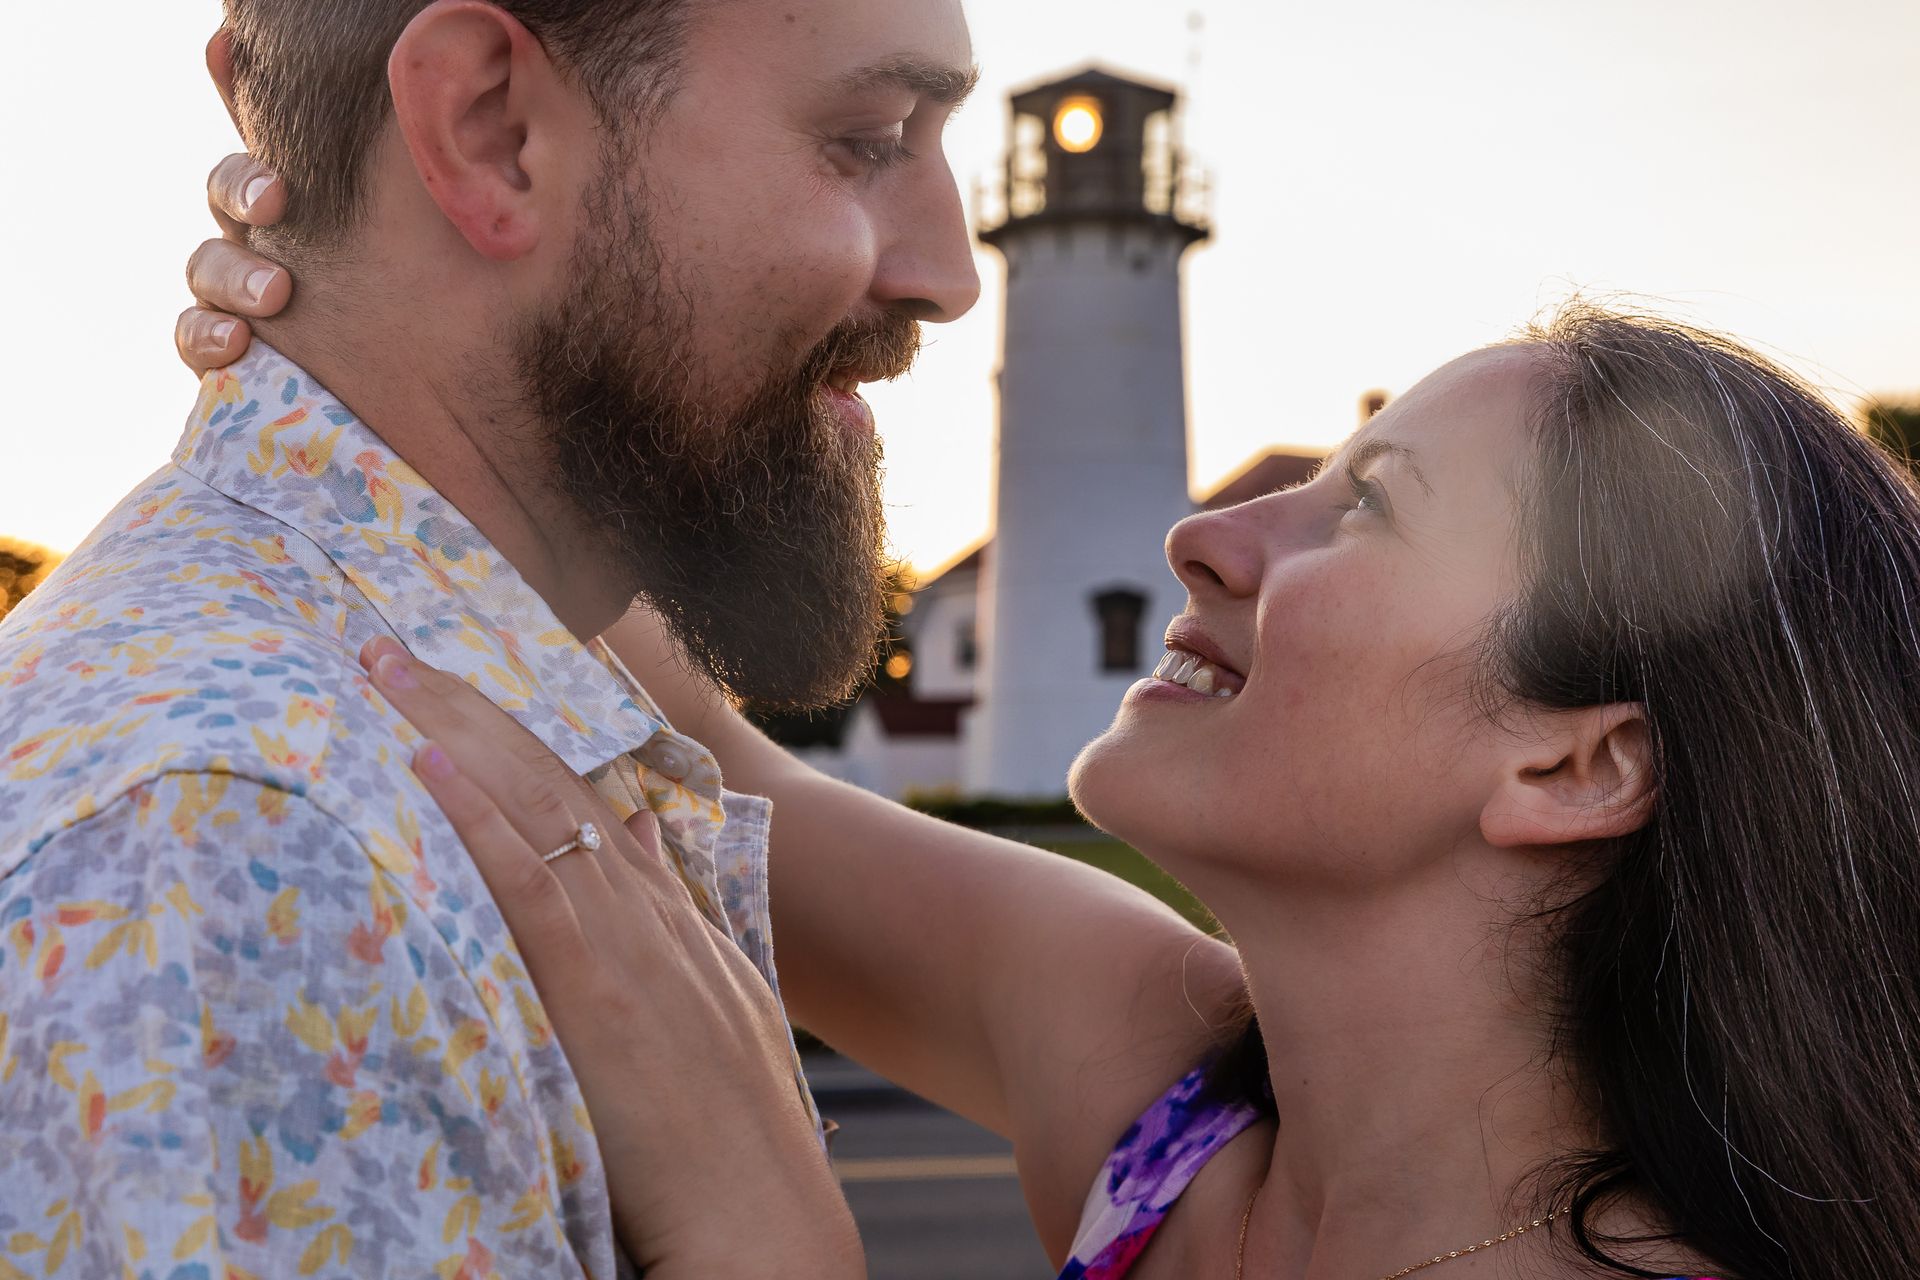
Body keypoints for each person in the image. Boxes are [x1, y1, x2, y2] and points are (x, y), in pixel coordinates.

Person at [192, 144, 1920, 1278]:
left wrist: (759, 1230)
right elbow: (707, 758)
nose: (1206, 535)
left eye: (1367, 508)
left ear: (1574, 759)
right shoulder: (1168, 1097)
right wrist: (401, 307)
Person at [1, 0, 985, 1273]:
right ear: (489, 129)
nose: (949, 273)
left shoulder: (447, 705)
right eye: (871, 136)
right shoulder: (246, 845)